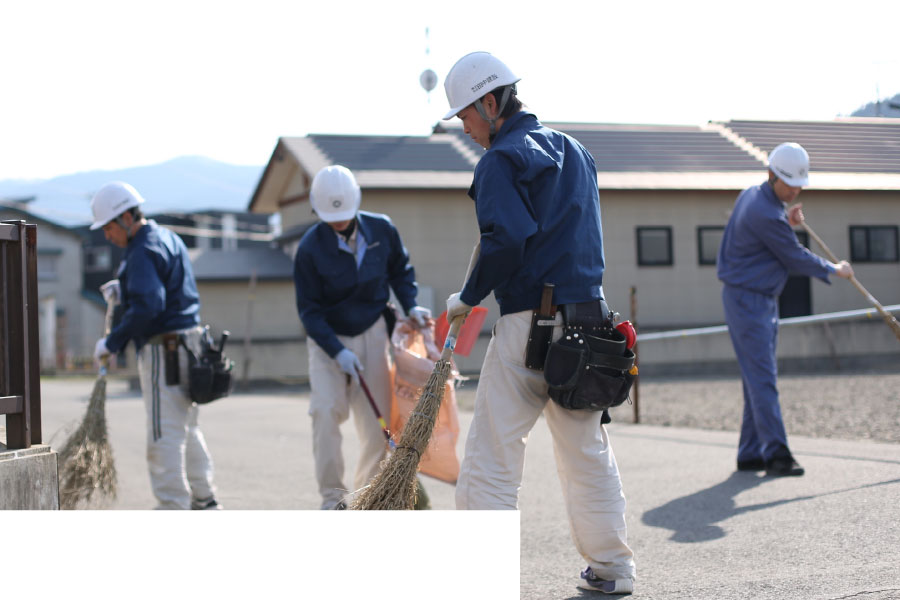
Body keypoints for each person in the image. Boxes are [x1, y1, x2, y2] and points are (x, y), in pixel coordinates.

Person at [441, 51, 636, 595]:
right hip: (591, 324)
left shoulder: (502, 160)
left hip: (532, 323)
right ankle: (612, 571)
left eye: (465, 117)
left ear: (489, 101)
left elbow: (506, 241)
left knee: (492, 454)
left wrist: (469, 295)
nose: (467, 130)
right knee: (585, 452)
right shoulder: (577, 152)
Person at [293, 165, 432, 510]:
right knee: (325, 413)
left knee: (375, 425)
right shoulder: (309, 249)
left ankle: (365, 497)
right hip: (328, 342)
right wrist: (337, 352)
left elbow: (401, 272)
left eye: (343, 214)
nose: (338, 221)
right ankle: (332, 499)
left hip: (373, 334)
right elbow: (309, 311)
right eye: (331, 216)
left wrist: (412, 306)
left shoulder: (382, 229)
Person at [717, 142, 853, 477]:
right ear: (772, 174)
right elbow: (793, 256)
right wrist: (835, 269)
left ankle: (750, 453)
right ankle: (777, 454)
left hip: (748, 298)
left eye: (798, 185)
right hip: (751, 301)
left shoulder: (754, 196)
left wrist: (785, 219)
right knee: (763, 379)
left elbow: (772, 233)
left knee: (756, 377)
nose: (794, 190)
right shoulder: (767, 213)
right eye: (789, 184)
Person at [90, 181, 221, 510]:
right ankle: (204, 500)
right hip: (190, 343)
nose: (107, 236)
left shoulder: (141, 250)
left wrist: (112, 341)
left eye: (107, 227)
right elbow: (165, 291)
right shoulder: (166, 237)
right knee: (188, 427)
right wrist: (125, 287)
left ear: (124, 218)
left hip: (166, 350)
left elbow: (150, 306)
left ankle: (172, 506)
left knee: (163, 432)